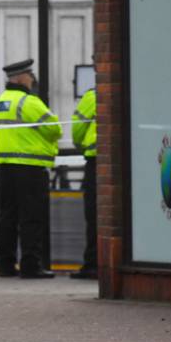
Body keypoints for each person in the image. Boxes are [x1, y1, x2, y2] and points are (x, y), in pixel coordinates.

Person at [0, 59, 62, 279]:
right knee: (31, 218)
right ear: (22, 77)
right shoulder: (29, 102)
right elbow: (55, 129)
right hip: (30, 169)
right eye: (30, 76)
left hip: (6, 168)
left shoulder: (1, 101)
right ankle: (31, 266)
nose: (32, 80)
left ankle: (5, 265)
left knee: (7, 218)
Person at [70, 87, 97, 279]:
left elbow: (77, 128)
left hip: (96, 160)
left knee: (94, 214)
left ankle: (93, 264)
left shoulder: (93, 95)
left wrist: (80, 145)